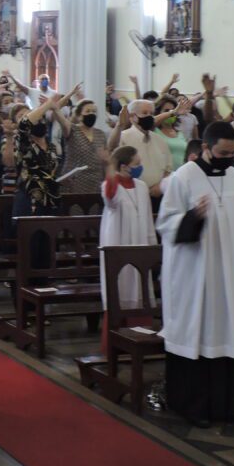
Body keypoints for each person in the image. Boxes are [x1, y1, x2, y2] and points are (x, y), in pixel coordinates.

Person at [156, 122, 234, 428]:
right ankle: (191, 405)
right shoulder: (183, 177)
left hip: (227, 273)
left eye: (233, 152)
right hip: (193, 274)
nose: (229, 157)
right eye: (223, 152)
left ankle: (224, 406)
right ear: (206, 148)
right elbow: (165, 223)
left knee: (226, 334)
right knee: (195, 334)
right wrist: (193, 217)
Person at [99, 146, 157, 353]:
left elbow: (148, 218)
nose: (140, 167)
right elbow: (111, 200)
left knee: (140, 292)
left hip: (141, 246)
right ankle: (115, 345)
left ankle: (141, 341)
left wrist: (151, 248)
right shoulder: (110, 184)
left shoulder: (141, 186)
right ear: (124, 166)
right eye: (136, 164)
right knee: (120, 292)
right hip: (119, 247)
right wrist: (110, 167)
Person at [109, 99, 173, 199]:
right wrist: (119, 125)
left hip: (159, 194)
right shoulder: (123, 137)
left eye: (151, 113)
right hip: (132, 194)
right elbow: (111, 149)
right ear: (132, 117)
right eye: (144, 113)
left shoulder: (160, 140)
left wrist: (160, 186)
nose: (149, 116)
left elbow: (168, 169)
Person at [51, 91, 106, 194]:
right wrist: (55, 108)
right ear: (80, 115)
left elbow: (104, 159)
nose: (91, 114)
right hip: (74, 182)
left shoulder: (101, 134)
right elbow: (61, 120)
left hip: (96, 182)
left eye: (94, 112)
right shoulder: (72, 129)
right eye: (88, 111)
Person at [154, 96, 191, 171]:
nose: (171, 113)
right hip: (163, 175)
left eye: (173, 110)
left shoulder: (180, 133)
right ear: (159, 112)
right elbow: (151, 121)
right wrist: (173, 112)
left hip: (179, 175)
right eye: (166, 110)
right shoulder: (154, 130)